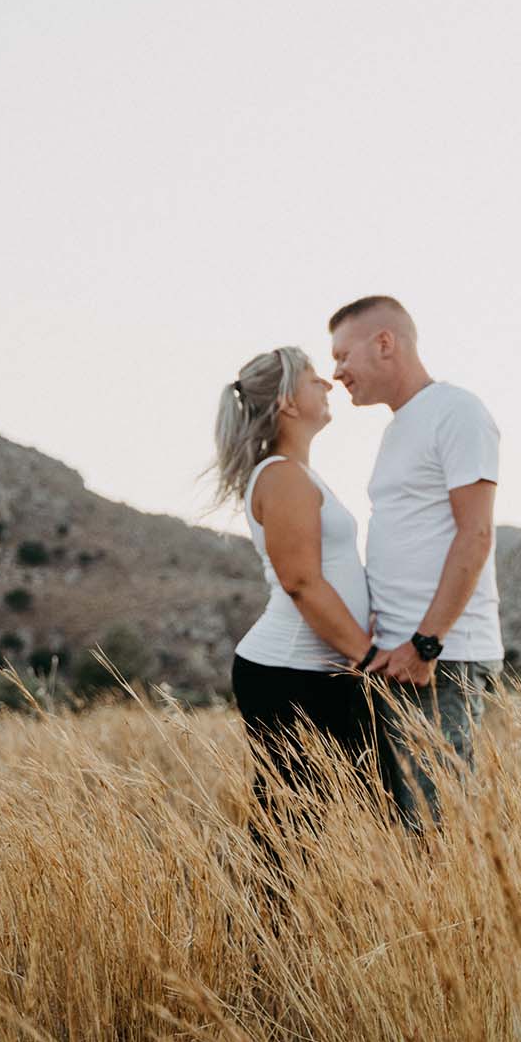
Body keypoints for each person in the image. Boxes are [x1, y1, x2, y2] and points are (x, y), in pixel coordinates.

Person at [329, 296, 502, 826]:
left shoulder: (456, 411)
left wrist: (427, 643)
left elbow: (475, 534)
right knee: (409, 830)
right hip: (401, 656)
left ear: (385, 343)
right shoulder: (400, 426)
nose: (336, 373)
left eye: (342, 356)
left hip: (440, 660)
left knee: (438, 827)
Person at [212, 345, 379, 826]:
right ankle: (256, 907)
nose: (327, 383)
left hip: (320, 672)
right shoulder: (282, 476)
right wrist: (368, 659)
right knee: (289, 834)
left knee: (329, 825)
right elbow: (302, 583)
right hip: (289, 675)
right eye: (312, 378)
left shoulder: (297, 473)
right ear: (286, 403)